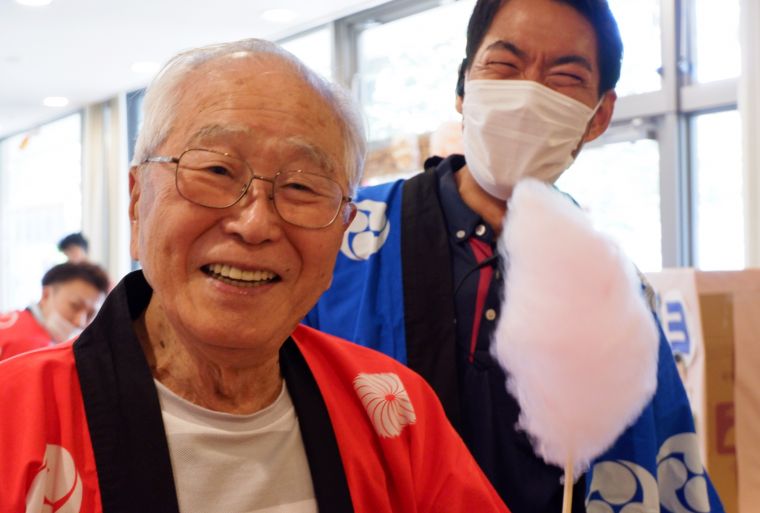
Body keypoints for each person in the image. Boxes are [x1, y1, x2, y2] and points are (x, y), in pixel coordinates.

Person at [0, 40, 508, 513]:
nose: (256, 223)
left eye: (304, 187)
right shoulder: (13, 416)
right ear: (138, 203)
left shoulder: (397, 411)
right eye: (217, 171)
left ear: (344, 231)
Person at [306, 0, 725, 512]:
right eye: (505, 66)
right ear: (463, 89)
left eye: (566, 77)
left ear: (600, 115)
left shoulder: (620, 293)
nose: (528, 94)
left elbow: (658, 460)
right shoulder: (343, 237)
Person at [0, 262, 108, 361]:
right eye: (74, 306)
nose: (80, 322)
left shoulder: (14, 320)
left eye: (90, 315)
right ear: (46, 295)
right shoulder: (31, 349)